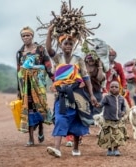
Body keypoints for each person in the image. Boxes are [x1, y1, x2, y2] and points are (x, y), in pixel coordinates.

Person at [45, 25, 98, 157]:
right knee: (60, 118)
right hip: (61, 94)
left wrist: (91, 95)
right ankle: (57, 148)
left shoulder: (78, 59)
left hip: (77, 94)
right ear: (61, 45)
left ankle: (75, 147)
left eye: (70, 43)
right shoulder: (57, 58)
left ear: (73, 46)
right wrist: (50, 31)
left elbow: (86, 77)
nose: (68, 45)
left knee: (77, 119)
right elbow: (48, 49)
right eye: (65, 43)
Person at [16, 26, 54, 146]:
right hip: (26, 86)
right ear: (21, 38)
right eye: (23, 36)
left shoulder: (40, 49)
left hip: (39, 84)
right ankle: (31, 138)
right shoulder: (19, 53)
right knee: (29, 109)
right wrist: (19, 89)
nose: (26, 37)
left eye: (28, 35)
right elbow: (18, 72)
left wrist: (54, 80)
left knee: (40, 107)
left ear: (32, 36)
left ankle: (41, 128)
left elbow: (48, 65)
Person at [96, 81, 126, 156]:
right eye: (112, 87)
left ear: (119, 88)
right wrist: (97, 104)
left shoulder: (121, 98)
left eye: (116, 87)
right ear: (109, 89)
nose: (114, 88)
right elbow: (101, 104)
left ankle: (116, 150)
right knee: (108, 136)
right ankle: (109, 150)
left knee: (117, 135)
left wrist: (123, 112)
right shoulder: (106, 97)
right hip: (108, 121)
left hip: (117, 121)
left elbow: (124, 107)